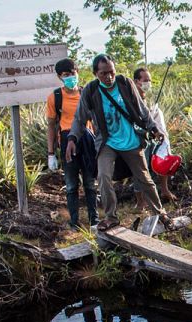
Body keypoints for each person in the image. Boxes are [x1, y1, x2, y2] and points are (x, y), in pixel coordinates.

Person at [66, 54, 174, 231]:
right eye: (103, 74)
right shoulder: (91, 91)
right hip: (107, 142)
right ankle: (111, 217)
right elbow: (79, 119)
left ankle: (160, 213)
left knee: (144, 179)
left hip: (130, 139)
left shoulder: (125, 84)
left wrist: (154, 128)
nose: (108, 77)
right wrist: (72, 138)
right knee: (103, 177)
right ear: (95, 74)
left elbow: (142, 110)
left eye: (111, 72)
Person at [45, 58, 98, 230]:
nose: (70, 77)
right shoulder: (55, 97)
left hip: (88, 141)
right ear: (60, 77)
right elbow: (51, 125)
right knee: (71, 185)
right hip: (67, 142)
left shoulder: (86, 93)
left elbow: (96, 121)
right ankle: (74, 221)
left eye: (72, 73)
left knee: (90, 182)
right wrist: (51, 153)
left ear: (78, 72)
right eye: (66, 75)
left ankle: (94, 220)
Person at [132, 67, 177, 205]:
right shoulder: (131, 99)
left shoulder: (149, 99)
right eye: (145, 80)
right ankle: (140, 202)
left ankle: (164, 190)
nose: (148, 83)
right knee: (140, 168)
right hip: (139, 138)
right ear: (136, 81)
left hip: (154, 137)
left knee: (163, 157)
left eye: (149, 80)